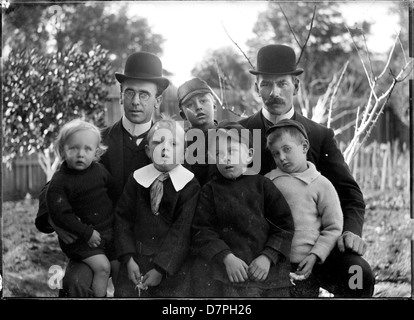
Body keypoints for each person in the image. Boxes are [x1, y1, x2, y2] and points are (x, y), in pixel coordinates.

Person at [239, 44, 375, 297]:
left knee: (359, 275)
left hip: (314, 250)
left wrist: (351, 233)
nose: (275, 92)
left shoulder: (318, 135)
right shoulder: (240, 134)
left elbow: (350, 195)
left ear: (297, 86)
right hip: (259, 253)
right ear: (256, 88)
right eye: (266, 84)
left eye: (283, 83)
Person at [35, 51, 170, 297]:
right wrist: (54, 219)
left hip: (148, 247)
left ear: (157, 100)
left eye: (144, 94)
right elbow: (53, 186)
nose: (136, 102)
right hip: (96, 241)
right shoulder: (97, 142)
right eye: (129, 92)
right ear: (120, 96)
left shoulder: (169, 144)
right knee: (77, 283)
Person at [191, 121, 294, 297]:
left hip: (267, 275)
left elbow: (284, 225)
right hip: (228, 275)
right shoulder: (210, 190)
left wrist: (268, 257)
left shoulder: (263, 185)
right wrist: (226, 257)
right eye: (218, 153)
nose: (226, 158)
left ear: (249, 155)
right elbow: (202, 230)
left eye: (232, 151)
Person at [113, 117, 201, 297]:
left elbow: (182, 231)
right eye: (158, 142)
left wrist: (161, 269)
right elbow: (122, 219)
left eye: (173, 144)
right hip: (135, 261)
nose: (165, 148)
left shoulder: (190, 186)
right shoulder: (136, 179)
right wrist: (128, 259)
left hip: (171, 268)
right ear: (148, 150)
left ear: (184, 153)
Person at [264, 119, 343, 297]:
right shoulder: (267, 182)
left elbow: (333, 226)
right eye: (275, 154)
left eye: (287, 149)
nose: (281, 158)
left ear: (304, 147)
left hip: (306, 264)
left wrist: (316, 255)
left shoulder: (321, 184)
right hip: (272, 262)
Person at [46, 119, 119, 297]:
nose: (80, 154)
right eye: (73, 148)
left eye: (87, 149)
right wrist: (86, 233)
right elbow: (61, 215)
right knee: (103, 267)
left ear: (96, 152)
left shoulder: (100, 171)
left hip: (107, 232)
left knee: (119, 267)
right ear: (63, 150)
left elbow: (115, 193)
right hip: (81, 239)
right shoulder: (60, 181)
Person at [177, 77, 218, 186]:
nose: (198, 107)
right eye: (190, 105)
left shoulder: (229, 136)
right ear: (183, 115)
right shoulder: (179, 143)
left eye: (203, 101)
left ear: (214, 105)